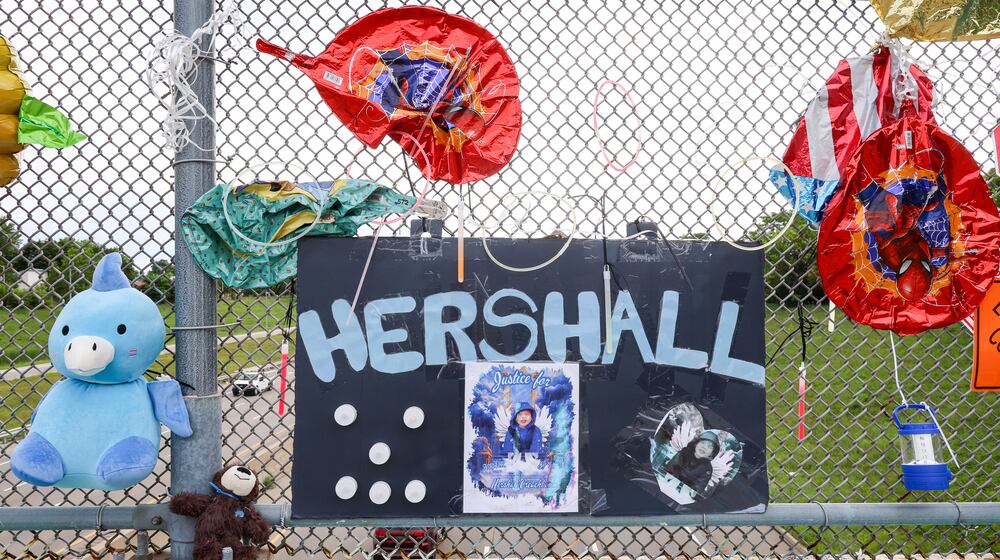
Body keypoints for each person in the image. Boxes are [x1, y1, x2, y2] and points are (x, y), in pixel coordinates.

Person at [662, 431, 719, 497]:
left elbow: (697, 489)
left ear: (712, 453)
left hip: (682, 496)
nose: (704, 447)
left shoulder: (707, 469)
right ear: (696, 444)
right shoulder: (684, 453)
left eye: (709, 446)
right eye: (703, 443)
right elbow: (670, 469)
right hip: (666, 484)